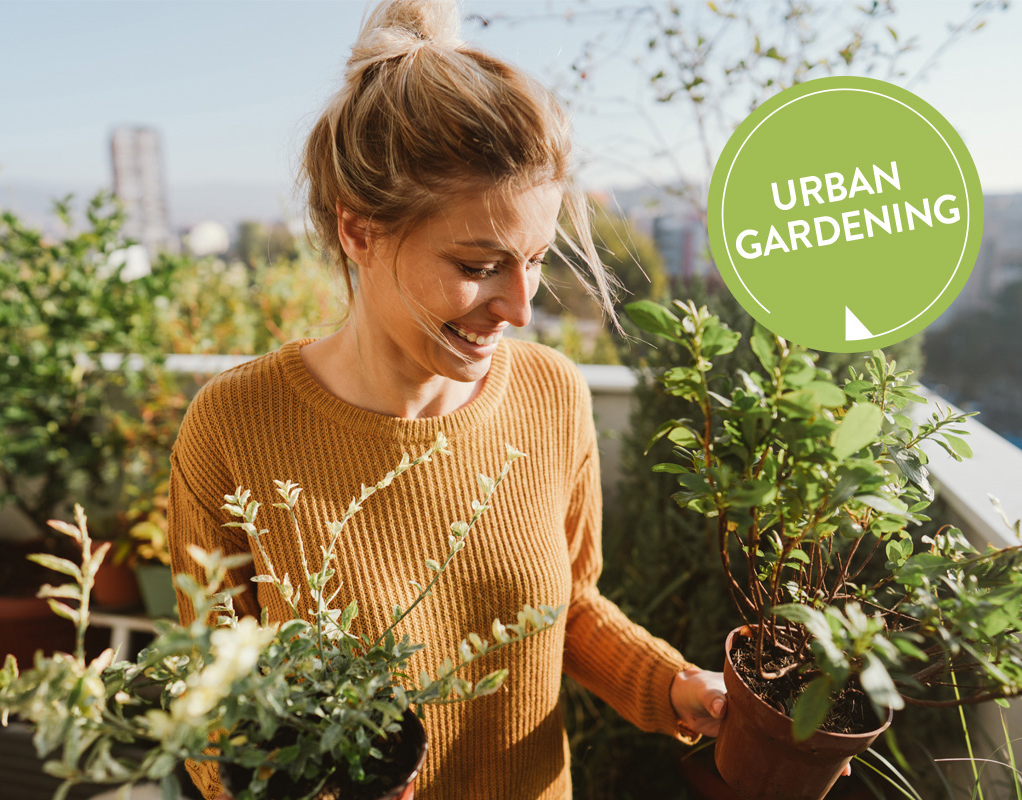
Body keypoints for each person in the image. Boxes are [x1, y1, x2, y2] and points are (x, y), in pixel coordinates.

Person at [167, 2, 726, 798]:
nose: (520, 308)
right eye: (478, 264)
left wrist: (676, 686)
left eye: (533, 260)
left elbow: (565, 608)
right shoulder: (234, 429)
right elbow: (208, 705)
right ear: (357, 233)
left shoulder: (552, 396)